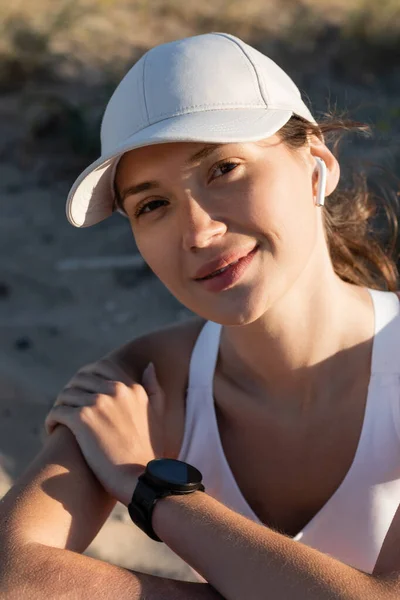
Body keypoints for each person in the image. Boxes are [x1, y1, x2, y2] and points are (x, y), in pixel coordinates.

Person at [1, 31, 400, 600]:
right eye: (153, 205)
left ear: (317, 165)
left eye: (223, 169)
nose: (198, 233)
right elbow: (12, 578)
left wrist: (152, 489)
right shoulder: (144, 384)